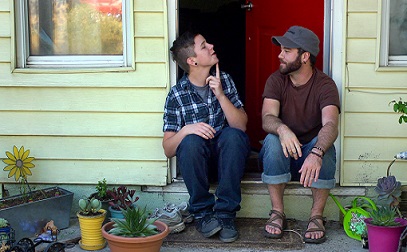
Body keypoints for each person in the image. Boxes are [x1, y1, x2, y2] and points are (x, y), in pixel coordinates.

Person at [162, 31, 251, 243]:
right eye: (204, 45)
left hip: (227, 162)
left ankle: (226, 214)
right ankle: (202, 213)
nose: (211, 46)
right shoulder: (177, 94)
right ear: (192, 61)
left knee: (233, 136)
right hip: (197, 165)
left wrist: (220, 95)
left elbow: (241, 126)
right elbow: (167, 149)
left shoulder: (224, 80)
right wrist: (186, 130)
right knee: (190, 141)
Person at [259, 26, 340, 244]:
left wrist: (316, 152)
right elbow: (267, 117)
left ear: (305, 56)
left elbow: (331, 124)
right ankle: (277, 212)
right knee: (272, 140)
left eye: (286, 51)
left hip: (311, 160)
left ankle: (316, 216)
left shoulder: (325, 84)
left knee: (326, 146)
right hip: (283, 154)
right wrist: (283, 129)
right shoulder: (276, 80)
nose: (279, 55)